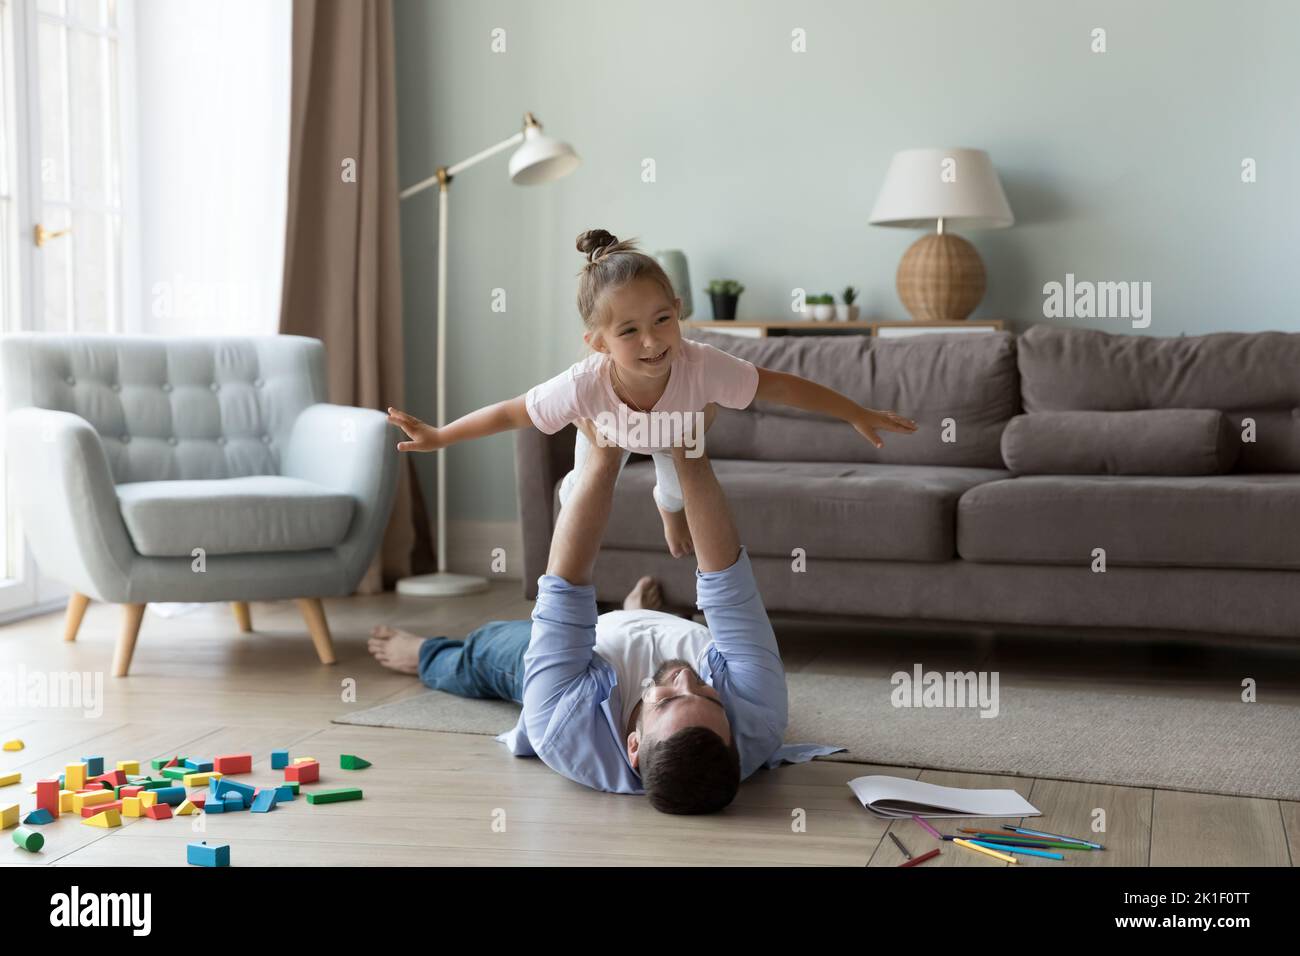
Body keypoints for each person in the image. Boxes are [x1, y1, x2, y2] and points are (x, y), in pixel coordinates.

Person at [369, 422, 844, 813]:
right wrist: (689, 447)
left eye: (666, 700)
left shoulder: (563, 726)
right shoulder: (758, 718)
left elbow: (564, 585)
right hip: (667, 635)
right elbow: (728, 585)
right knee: (690, 645)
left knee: (488, 649)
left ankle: (426, 655)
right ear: (733, 737)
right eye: (708, 695)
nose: (684, 678)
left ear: (633, 747)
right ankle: (635, 616)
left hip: (594, 657)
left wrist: (602, 447)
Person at [385, 227, 917, 557]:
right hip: (608, 431)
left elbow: (780, 387)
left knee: (678, 486)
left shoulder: (701, 365)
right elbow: (510, 412)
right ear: (596, 343)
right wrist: (442, 435)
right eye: (629, 331)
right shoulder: (584, 384)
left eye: (662, 319)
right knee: (580, 494)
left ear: (678, 311)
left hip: (675, 431)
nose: (651, 340)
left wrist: (854, 412)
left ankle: (669, 511)